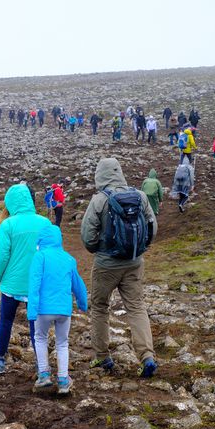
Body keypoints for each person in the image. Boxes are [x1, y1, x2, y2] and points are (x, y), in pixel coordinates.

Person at [81, 158, 158, 378]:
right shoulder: (140, 196)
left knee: (100, 306)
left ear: (100, 175)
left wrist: (100, 249)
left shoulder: (99, 200)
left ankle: (102, 356)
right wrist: (139, 249)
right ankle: (147, 357)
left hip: (106, 264)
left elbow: (87, 236)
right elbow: (152, 227)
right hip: (134, 262)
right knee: (136, 307)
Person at [0, 184, 51, 374]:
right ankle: (42, 366)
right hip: (37, 284)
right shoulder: (45, 223)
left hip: (12, 284)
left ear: (10, 203)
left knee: (5, 321)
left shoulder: (8, 225)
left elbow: (2, 256)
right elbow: (50, 253)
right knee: (36, 325)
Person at [27, 225, 88, 394]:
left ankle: (44, 375)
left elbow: (34, 285)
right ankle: (63, 380)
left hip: (43, 309)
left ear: (41, 241)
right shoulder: (68, 259)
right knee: (62, 343)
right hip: (64, 310)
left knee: (40, 337)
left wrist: (32, 311)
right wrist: (83, 303)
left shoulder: (40, 257)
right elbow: (78, 285)